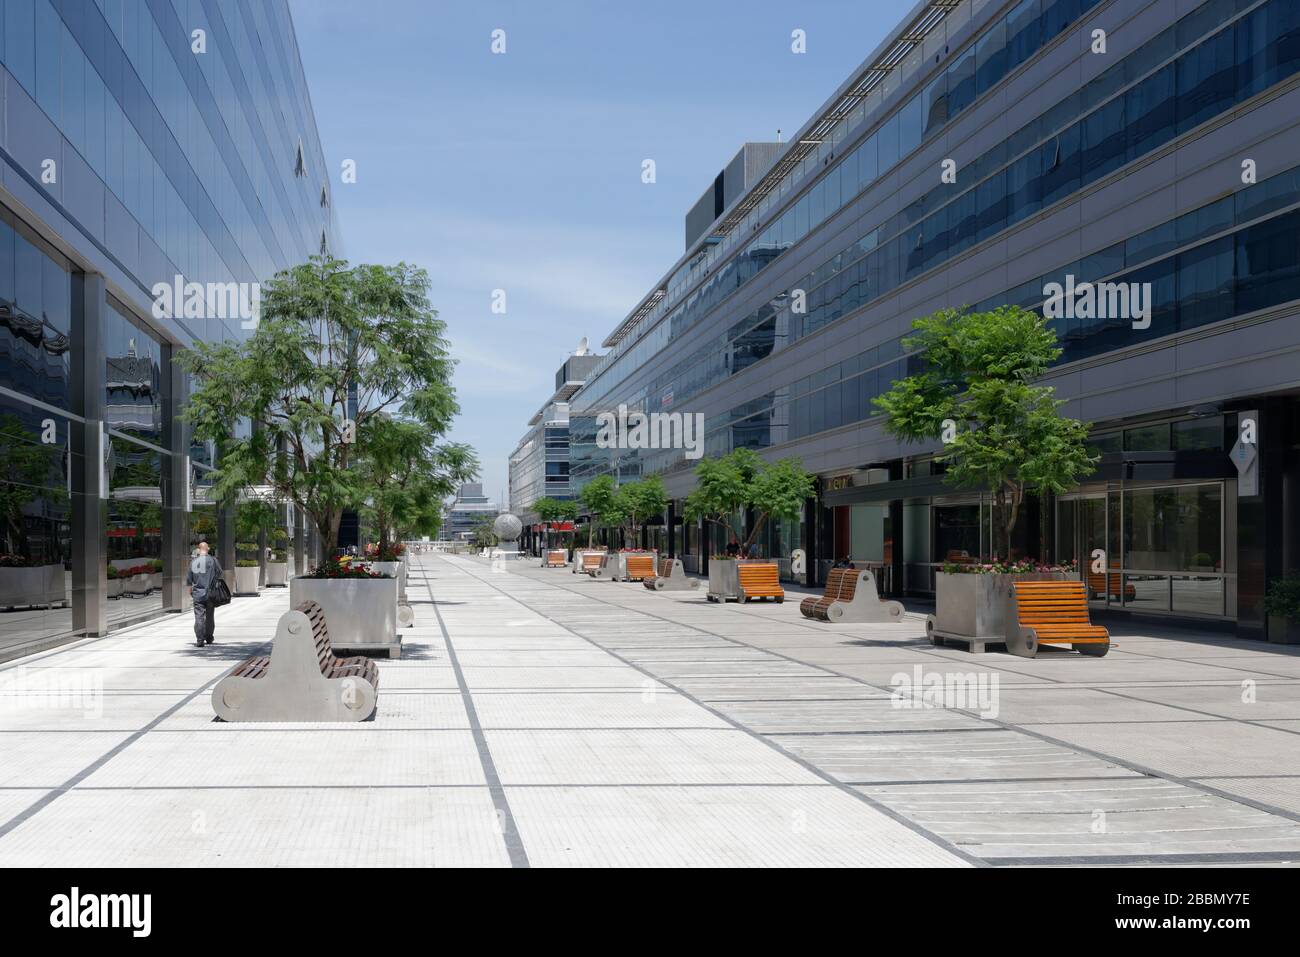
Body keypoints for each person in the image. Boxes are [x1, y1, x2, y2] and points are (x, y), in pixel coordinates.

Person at [186, 540, 224, 647]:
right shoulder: (213, 560)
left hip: (198, 593)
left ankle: (199, 639)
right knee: (210, 616)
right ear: (207, 549)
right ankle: (209, 637)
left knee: (199, 617)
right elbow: (220, 573)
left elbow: (189, 579)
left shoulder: (193, 562)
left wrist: (190, 590)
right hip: (211, 593)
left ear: (199, 549)